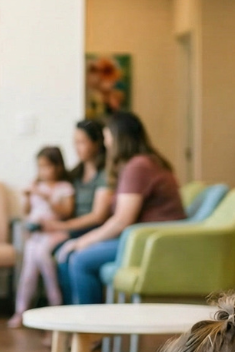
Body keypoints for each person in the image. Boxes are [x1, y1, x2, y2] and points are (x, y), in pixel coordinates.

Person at [57, 111, 183, 305]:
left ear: (118, 138)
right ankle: (77, 318)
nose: (106, 143)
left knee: (80, 259)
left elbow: (122, 220)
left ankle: (88, 323)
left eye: (107, 137)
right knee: (72, 254)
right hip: (145, 238)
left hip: (150, 242)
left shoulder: (138, 166)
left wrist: (83, 241)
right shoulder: (145, 162)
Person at [9, 146, 76, 327]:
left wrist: (47, 197)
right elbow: (27, 211)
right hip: (36, 236)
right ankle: (21, 311)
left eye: (47, 166)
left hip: (54, 233)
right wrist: (27, 197)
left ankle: (55, 307)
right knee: (28, 271)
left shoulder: (64, 187)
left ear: (58, 166)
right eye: (40, 166)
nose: (43, 171)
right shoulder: (36, 185)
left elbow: (67, 213)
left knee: (45, 263)